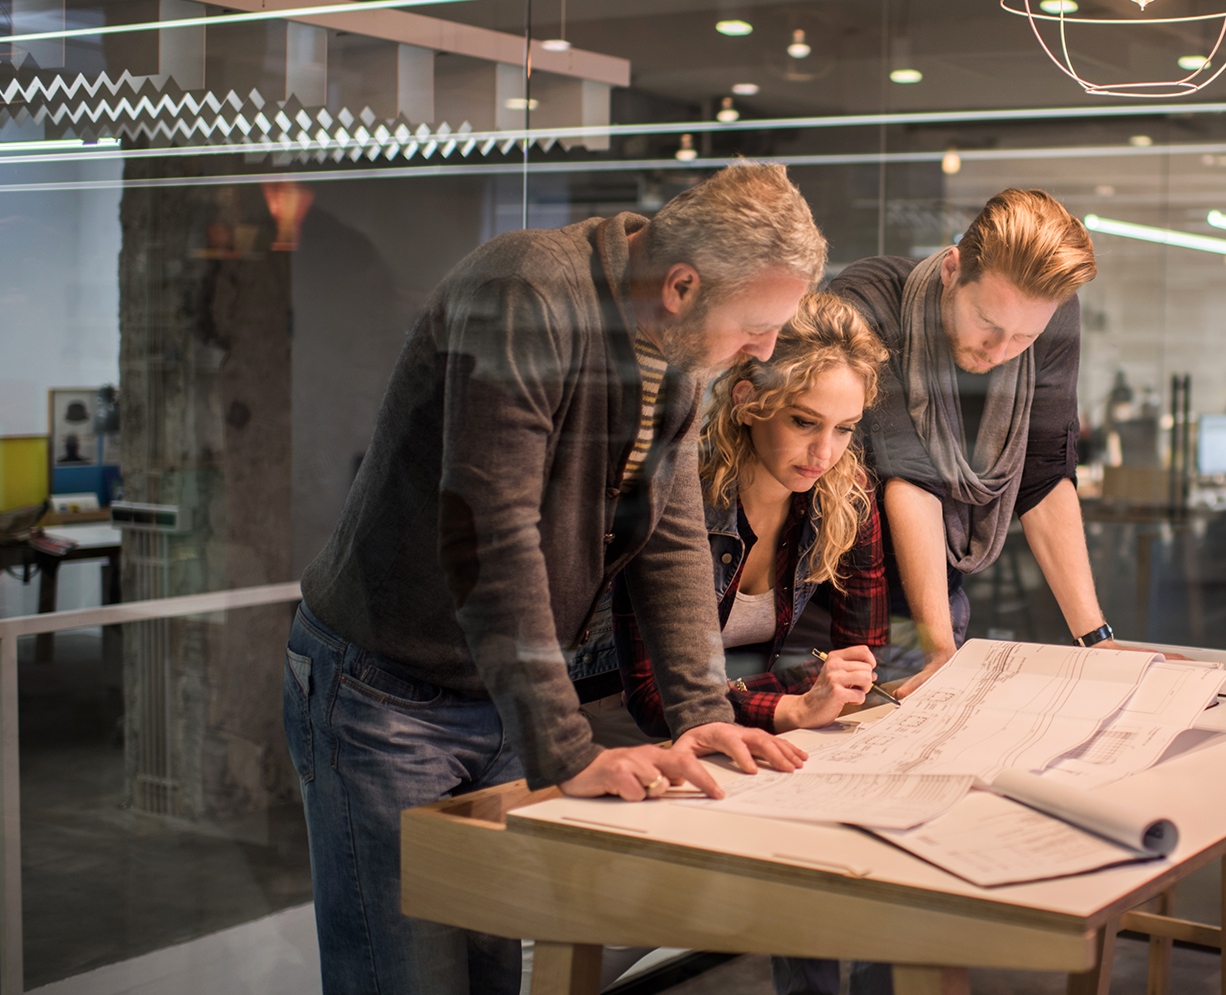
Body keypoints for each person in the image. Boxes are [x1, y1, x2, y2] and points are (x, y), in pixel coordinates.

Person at [289, 162, 822, 995]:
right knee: (406, 978)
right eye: (757, 325)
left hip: (500, 692)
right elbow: (491, 536)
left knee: (494, 973)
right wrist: (568, 748)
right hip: (385, 694)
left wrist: (701, 712)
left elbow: (673, 533)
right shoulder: (527, 292)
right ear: (682, 285)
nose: (765, 349)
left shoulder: (674, 351)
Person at [827, 189, 1152, 691]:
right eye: (987, 323)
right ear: (952, 269)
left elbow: (1044, 475)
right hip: (838, 594)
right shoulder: (871, 300)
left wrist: (1096, 639)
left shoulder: (1055, 317)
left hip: (940, 595)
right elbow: (909, 477)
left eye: (1024, 338)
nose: (1001, 351)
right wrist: (938, 650)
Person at [616, 292, 889, 737]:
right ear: (747, 401)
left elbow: (860, 664)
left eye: (844, 429)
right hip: (622, 731)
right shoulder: (677, 493)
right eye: (803, 421)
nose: (825, 454)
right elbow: (651, 696)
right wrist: (795, 705)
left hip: (744, 728)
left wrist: (792, 695)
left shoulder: (847, 495)